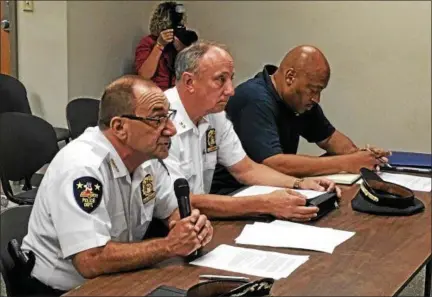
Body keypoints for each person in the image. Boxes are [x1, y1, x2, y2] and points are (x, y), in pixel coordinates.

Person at [20, 75, 213, 295]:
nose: (171, 129)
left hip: (120, 277)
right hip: (63, 290)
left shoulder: (147, 160)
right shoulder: (82, 169)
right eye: (157, 120)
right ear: (120, 127)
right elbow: (90, 260)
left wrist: (190, 226)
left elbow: (172, 212)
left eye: (169, 117)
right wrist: (170, 245)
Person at [163, 41, 341, 221]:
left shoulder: (214, 115)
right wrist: (265, 203)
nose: (231, 91)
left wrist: (299, 183)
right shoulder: (161, 121)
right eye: (220, 80)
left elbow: (245, 169)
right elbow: (178, 202)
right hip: (163, 231)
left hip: (198, 221)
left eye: (231, 79)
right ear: (189, 82)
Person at [211, 45, 391, 195]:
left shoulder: (299, 101)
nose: (317, 98)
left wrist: (361, 156)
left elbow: (329, 138)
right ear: (290, 77)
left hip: (272, 190)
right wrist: (347, 162)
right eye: (313, 90)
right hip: (235, 194)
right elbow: (274, 163)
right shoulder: (254, 98)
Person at [135, 1, 198, 90]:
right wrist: (159, 45)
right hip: (156, 91)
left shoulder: (180, 41)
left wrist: (182, 50)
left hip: (179, 91)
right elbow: (144, 76)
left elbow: (193, 73)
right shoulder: (148, 42)